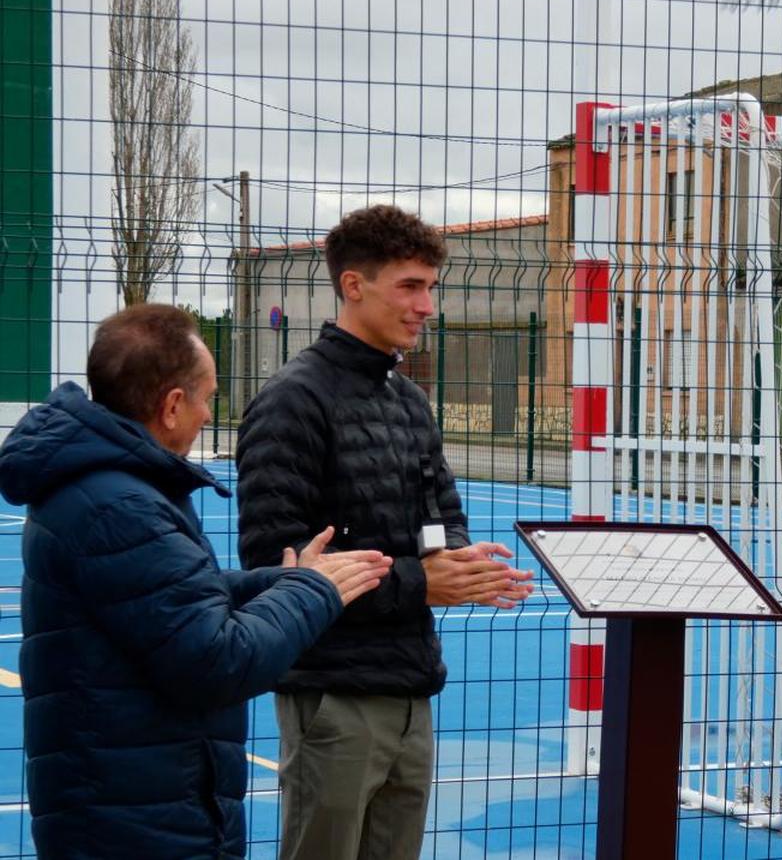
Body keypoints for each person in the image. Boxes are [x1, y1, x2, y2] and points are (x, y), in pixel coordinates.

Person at [0, 303, 392, 860]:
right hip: (138, 817)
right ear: (172, 405)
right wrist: (312, 592)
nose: (210, 413)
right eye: (207, 396)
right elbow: (217, 659)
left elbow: (166, 600)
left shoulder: (106, 488)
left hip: (132, 797)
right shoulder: (120, 507)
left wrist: (276, 581)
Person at [236, 203, 534, 860]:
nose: (427, 304)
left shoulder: (408, 401)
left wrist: (460, 562)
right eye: (410, 286)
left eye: (432, 286)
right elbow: (274, 565)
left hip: (410, 686)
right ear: (352, 285)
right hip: (332, 695)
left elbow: (441, 517)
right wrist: (420, 581)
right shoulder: (293, 400)